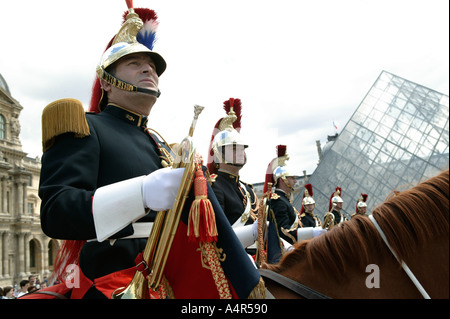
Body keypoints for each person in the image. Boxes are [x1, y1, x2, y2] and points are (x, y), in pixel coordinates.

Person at [38, 3, 263, 299]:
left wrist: (234, 241)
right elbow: (56, 212)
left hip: (172, 280)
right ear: (106, 81)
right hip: (114, 283)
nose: (149, 69)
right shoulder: (84, 127)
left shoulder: (159, 144)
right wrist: (140, 194)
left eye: (153, 66)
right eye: (134, 63)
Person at [207, 98, 258, 250]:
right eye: (234, 148)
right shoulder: (215, 186)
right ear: (218, 154)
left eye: (242, 148)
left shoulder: (247, 189)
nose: (241, 152)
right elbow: (219, 233)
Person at [262, 145, 325, 263]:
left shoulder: (284, 200)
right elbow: (283, 232)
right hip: (286, 255)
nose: (295, 181)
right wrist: (311, 233)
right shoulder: (278, 201)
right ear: (282, 180)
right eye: (292, 178)